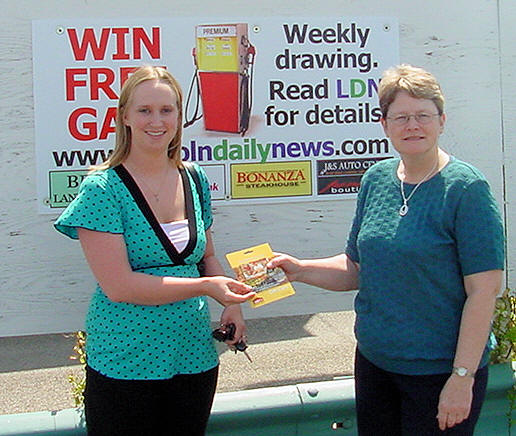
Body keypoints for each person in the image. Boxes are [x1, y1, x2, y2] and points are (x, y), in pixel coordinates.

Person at [269, 64, 504, 435]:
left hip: (440, 373)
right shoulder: (376, 180)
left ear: (442, 121)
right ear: (384, 125)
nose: (413, 126)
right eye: (401, 117)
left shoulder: (466, 189)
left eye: (423, 115)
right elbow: (357, 268)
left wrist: (462, 377)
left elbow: (484, 291)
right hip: (376, 365)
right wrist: (299, 270)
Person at [54, 65, 255, 436]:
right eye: (145, 110)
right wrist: (207, 287)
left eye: (167, 110)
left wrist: (231, 305)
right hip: (126, 360)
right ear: (125, 117)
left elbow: (206, 257)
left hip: (192, 354)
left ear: (179, 116)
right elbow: (120, 286)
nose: (157, 121)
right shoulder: (102, 189)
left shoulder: (193, 177)